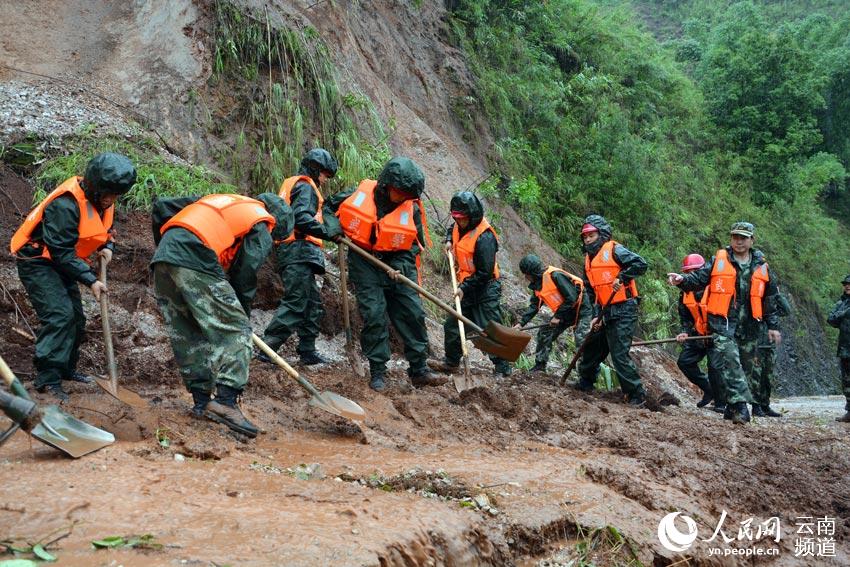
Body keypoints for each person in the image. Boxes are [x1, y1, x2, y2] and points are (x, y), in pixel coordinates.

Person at [151, 192, 292, 437]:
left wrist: (167, 252)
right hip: (195, 256)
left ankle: (201, 402)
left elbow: (163, 206)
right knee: (236, 330)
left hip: (165, 256)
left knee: (189, 332)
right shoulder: (261, 220)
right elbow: (245, 272)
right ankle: (226, 403)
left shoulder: (223, 200)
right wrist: (238, 315)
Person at [10, 152, 136, 402]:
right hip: (38, 261)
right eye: (107, 194)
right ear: (94, 186)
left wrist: (108, 246)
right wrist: (90, 280)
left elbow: (105, 229)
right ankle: (47, 378)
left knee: (77, 318)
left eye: (116, 195)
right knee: (60, 316)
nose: (111, 200)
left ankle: (66, 368)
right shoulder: (65, 205)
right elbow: (60, 251)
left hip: (64, 262)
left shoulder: (105, 200)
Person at [324, 157, 445, 392]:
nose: (403, 198)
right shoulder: (360, 193)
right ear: (386, 184)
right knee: (374, 314)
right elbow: (328, 207)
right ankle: (378, 369)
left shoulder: (411, 207)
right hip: (364, 260)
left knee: (412, 312)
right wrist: (333, 228)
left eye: (408, 194)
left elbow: (414, 243)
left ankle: (419, 369)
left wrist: (400, 263)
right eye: (400, 192)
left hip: (397, 262)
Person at [667, 222, 779, 424]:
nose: (739, 241)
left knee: (745, 368)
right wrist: (681, 280)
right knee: (730, 361)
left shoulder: (762, 265)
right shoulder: (718, 260)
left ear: (751, 240)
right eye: (735, 237)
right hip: (723, 323)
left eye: (743, 237)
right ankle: (741, 407)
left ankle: (730, 406)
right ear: (731, 239)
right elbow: (700, 278)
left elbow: (770, 299)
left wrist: (772, 325)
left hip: (751, 325)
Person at [259, 148, 340, 366]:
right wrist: (329, 233)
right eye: (324, 174)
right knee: (296, 301)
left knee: (312, 303)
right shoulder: (305, 187)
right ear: (315, 169)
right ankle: (268, 347)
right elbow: (302, 219)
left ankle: (307, 350)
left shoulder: (295, 185)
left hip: (297, 251)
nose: (325, 179)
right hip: (298, 250)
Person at [435, 191, 512, 377]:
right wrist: (447, 241)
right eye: (456, 218)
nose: (459, 222)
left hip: (486, 287)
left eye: (462, 219)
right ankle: (451, 362)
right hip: (467, 285)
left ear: (472, 216)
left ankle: (502, 368)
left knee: (489, 327)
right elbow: (450, 229)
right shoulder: (458, 225)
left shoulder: (485, 238)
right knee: (453, 324)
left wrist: (464, 288)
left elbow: (484, 273)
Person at [575, 215, 648, 406]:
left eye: (591, 235)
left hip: (624, 310)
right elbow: (591, 291)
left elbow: (640, 264)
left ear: (602, 235)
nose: (588, 239)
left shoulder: (615, 250)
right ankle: (585, 382)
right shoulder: (588, 261)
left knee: (618, 353)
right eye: (585, 237)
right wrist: (595, 316)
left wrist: (622, 277)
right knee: (592, 346)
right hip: (604, 310)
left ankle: (636, 394)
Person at [514, 254, 592, 373]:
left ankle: (585, 378)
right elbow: (535, 305)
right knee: (545, 333)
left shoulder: (555, 276)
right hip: (565, 312)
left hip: (581, 309)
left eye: (526, 274)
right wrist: (521, 323)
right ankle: (540, 366)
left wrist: (557, 317)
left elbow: (571, 297)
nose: (525, 277)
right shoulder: (537, 285)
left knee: (581, 341)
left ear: (532, 272)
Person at [674, 253, 723, 410]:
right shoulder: (685, 292)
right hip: (699, 335)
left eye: (694, 271)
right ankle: (709, 390)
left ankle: (722, 402)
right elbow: (685, 316)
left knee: (716, 367)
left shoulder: (715, 288)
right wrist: (685, 331)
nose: (691, 275)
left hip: (717, 335)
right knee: (685, 362)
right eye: (688, 272)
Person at [829, 274, 850, 422]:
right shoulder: (842, 303)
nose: (847, 286)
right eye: (845, 284)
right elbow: (831, 319)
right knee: (847, 381)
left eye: (849, 284)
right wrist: (844, 313)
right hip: (845, 348)